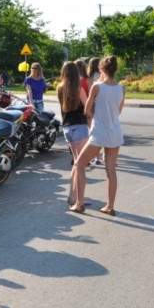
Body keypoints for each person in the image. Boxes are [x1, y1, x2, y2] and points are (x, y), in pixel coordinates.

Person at [69, 55, 125, 216]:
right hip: (115, 132)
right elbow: (119, 111)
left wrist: (95, 111)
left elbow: (87, 110)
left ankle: (79, 203)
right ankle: (110, 206)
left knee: (79, 165)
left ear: (101, 69)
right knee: (111, 170)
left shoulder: (97, 86)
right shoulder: (122, 88)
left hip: (99, 132)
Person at [57, 61, 89, 206]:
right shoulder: (78, 88)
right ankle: (78, 198)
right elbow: (87, 108)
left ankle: (72, 195)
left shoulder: (60, 88)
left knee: (76, 163)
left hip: (67, 128)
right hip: (79, 127)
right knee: (80, 165)